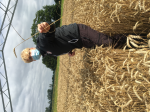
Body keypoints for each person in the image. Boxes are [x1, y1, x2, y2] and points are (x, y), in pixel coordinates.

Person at [20, 22, 130, 63]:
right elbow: (58, 45)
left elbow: (49, 32)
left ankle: (135, 40)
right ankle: (130, 41)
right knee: (107, 44)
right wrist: (69, 50)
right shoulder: (47, 53)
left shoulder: (42, 43)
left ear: (31, 48)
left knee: (108, 43)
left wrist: (46, 27)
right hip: (81, 42)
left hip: (79, 32)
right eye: (30, 58)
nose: (32, 55)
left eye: (29, 53)